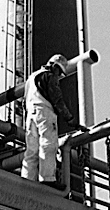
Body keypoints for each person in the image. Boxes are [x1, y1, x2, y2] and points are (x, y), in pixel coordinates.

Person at [21, 54, 79, 191]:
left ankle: (26, 179)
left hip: (30, 114)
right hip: (45, 112)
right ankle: (47, 179)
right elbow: (57, 98)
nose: (59, 75)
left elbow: (24, 101)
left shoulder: (31, 77)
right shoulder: (50, 76)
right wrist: (69, 118)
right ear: (53, 66)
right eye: (59, 70)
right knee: (49, 144)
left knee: (31, 150)